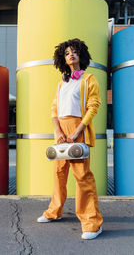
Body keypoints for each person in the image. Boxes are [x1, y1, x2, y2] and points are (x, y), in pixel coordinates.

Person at [37, 38, 103, 240]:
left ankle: (92, 222)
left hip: (78, 128)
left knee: (82, 176)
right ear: (63, 59)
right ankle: (54, 211)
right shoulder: (62, 83)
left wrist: (78, 130)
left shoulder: (88, 79)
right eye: (67, 53)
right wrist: (58, 131)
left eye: (74, 52)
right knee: (59, 173)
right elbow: (54, 109)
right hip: (62, 131)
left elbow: (94, 106)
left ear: (81, 55)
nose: (71, 55)